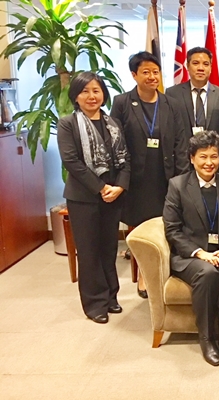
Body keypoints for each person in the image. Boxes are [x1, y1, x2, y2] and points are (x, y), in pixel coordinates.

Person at [163, 131, 219, 369]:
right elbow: (172, 229)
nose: (209, 162)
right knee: (208, 272)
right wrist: (200, 254)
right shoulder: (178, 185)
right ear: (192, 159)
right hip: (193, 255)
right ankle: (207, 339)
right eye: (203, 157)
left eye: (214, 156)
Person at [111, 51, 188, 298]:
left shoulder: (171, 104)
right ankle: (144, 274)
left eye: (156, 72)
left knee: (167, 223)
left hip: (166, 175)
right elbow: (116, 141)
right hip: (136, 177)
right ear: (134, 75)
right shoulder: (122, 102)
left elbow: (181, 142)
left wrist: (181, 178)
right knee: (140, 225)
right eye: (146, 72)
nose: (152, 76)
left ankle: (166, 268)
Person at [57, 72, 130, 324]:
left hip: (113, 196)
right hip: (84, 197)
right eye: (85, 91)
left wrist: (119, 186)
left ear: (103, 94)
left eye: (96, 90)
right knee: (89, 251)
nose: (91, 96)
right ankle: (94, 303)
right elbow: (71, 161)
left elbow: (125, 158)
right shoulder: (67, 124)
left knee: (108, 248)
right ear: (75, 96)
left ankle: (111, 296)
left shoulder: (113, 123)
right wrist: (101, 187)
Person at [165, 47, 219, 175]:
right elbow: (170, 131)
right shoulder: (172, 94)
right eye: (195, 63)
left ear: (211, 67)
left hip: (214, 162)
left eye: (205, 64)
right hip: (182, 162)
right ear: (187, 66)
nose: (201, 68)